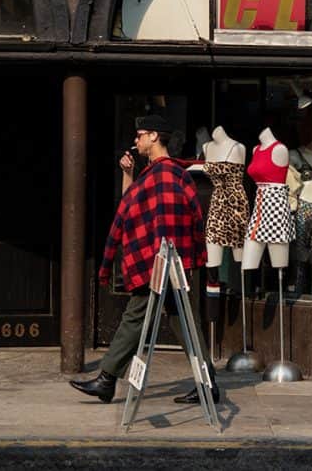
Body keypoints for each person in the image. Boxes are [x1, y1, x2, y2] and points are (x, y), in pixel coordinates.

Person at [69, 115, 219, 405]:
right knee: (183, 322)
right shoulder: (158, 173)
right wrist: (128, 174)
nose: (135, 140)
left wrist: (160, 259)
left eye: (139, 135)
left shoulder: (164, 175)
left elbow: (163, 223)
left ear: (154, 137)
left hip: (161, 262)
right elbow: (130, 207)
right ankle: (209, 383)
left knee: (137, 316)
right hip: (167, 262)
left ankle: (107, 379)